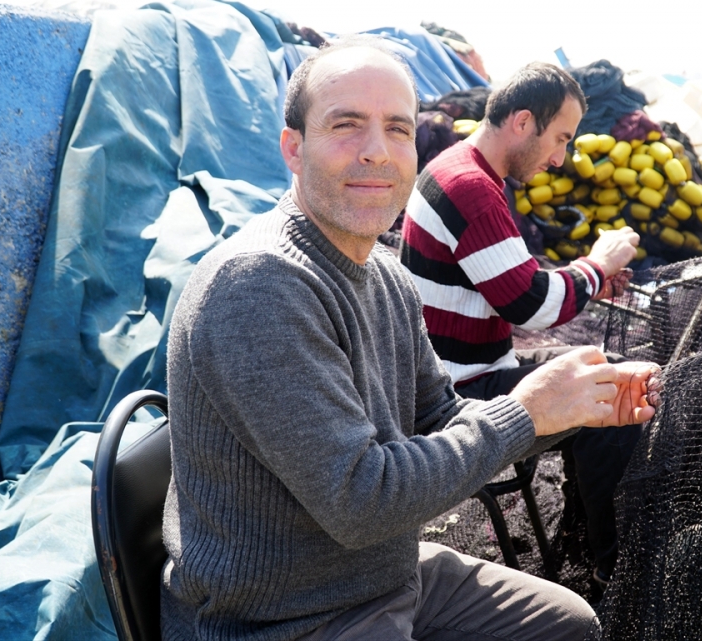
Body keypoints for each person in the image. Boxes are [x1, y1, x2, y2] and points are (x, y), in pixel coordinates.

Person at [160, 36, 659, 641]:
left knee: (571, 624)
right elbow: (361, 501)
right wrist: (527, 411)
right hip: (289, 615)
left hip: (380, 574)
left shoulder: (384, 274)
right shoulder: (260, 286)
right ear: (293, 147)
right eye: (346, 125)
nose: (377, 151)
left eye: (397, 129)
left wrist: (571, 406)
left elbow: (439, 414)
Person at [399, 62, 645, 587]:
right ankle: (617, 573)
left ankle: (590, 537)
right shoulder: (470, 187)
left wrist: (592, 283)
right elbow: (530, 304)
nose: (560, 158)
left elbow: (510, 281)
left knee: (600, 370)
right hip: (459, 392)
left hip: (462, 370)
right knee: (613, 391)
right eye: (560, 139)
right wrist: (598, 264)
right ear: (523, 122)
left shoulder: (459, 166)